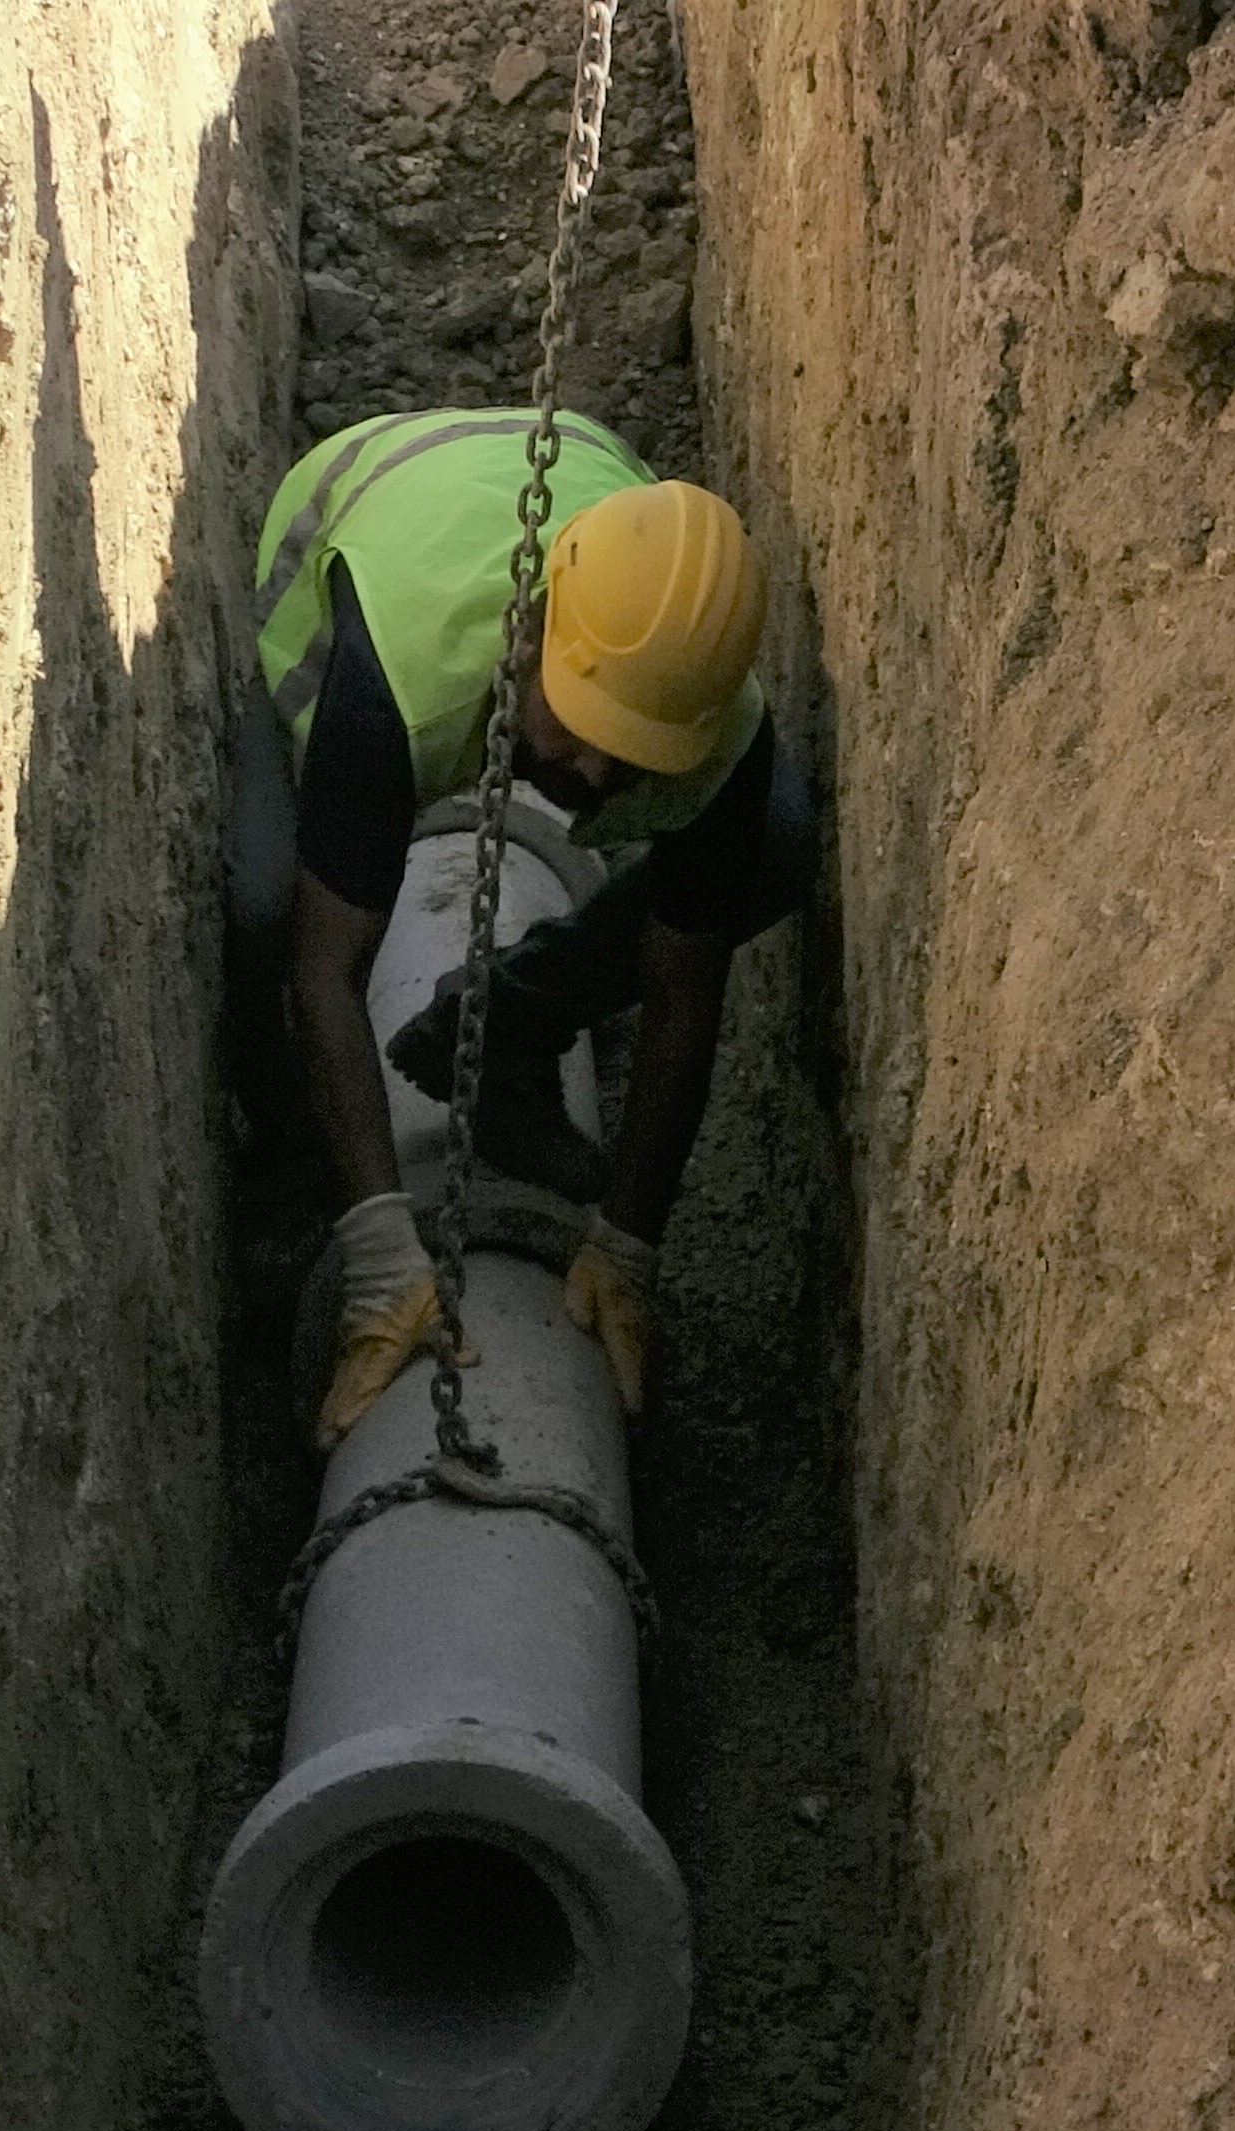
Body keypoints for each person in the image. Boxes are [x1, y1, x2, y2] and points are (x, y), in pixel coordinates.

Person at [235, 407, 815, 1452]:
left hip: (560, 494)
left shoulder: (694, 703)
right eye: (587, 733)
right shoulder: (393, 678)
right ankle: (295, 1174)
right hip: (359, 532)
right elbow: (327, 972)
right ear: (536, 626)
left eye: (637, 757)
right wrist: (383, 1255)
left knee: (768, 850)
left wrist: (629, 1242)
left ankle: (509, 1018)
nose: (593, 778)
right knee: (267, 908)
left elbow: (689, 980)